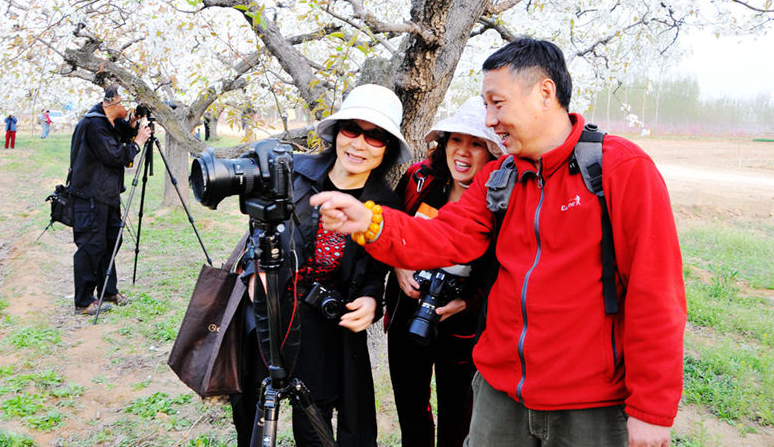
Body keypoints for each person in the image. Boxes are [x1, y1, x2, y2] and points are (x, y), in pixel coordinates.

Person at [312, 38, 686, 447]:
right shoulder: (500, 177)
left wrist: (651, 410)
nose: (489, 120)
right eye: (485, 105)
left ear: (545, 92)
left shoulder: (620, 170)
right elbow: (445, 237)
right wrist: (371, 222)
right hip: (499, 392)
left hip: (590, 403)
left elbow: (656, 295)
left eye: (497, 103)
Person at [229, 84, 410, 446]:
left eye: (375, 137)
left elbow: (377, 273)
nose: (359, 144)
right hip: (270, 313)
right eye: (352, 130)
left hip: (326, 329)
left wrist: (373, 302)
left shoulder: (386, 206)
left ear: (387, 148)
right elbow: (256, 235)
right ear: (337, 133)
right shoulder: (291, 174)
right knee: (253, 411)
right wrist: (255, 275)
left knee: (316, 422)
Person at [386, 97, 505, 447]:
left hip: (464, 323)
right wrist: (400, 266)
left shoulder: (500, 199)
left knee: (459, 414)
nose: (463, 152)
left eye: (476, 143)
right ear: (444, 143)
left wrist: (469, 303)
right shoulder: (419, 181)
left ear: (492, 152)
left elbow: (505, 271)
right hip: (408, 312)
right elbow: (388, 230)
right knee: (411, 409)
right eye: (456, 140)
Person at [69, 85, 151, 315]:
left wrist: (133, 123)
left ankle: (108, 290)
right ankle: (83, 301)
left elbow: (120, 133)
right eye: (125, 103)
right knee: (91, 246)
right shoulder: (94, 124)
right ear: (112, 102)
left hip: (107, 195)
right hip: (90, 197)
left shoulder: (108, 121)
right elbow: (115, 155)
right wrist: (139, 142)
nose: (128, 107)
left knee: (111, 240)